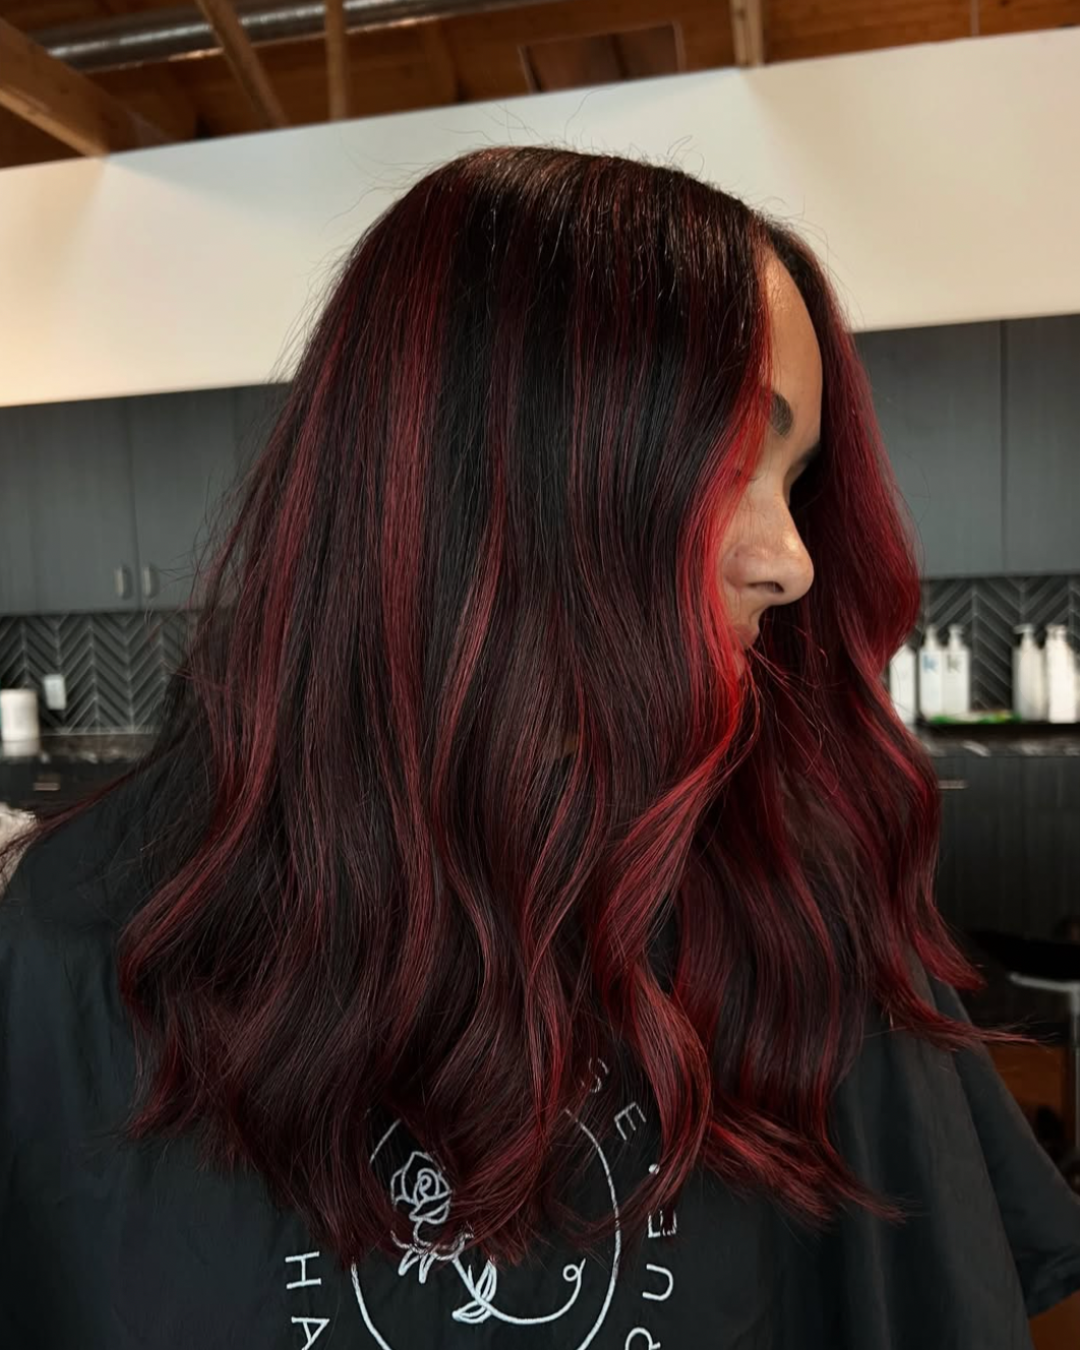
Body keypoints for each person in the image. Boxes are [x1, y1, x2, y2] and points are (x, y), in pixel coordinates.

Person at [2, 146, 1079, 1350]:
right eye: (731, 462)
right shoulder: (80, 940)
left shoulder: (787, 909)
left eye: (796, 479)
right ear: (492, 472)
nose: (793, 561)